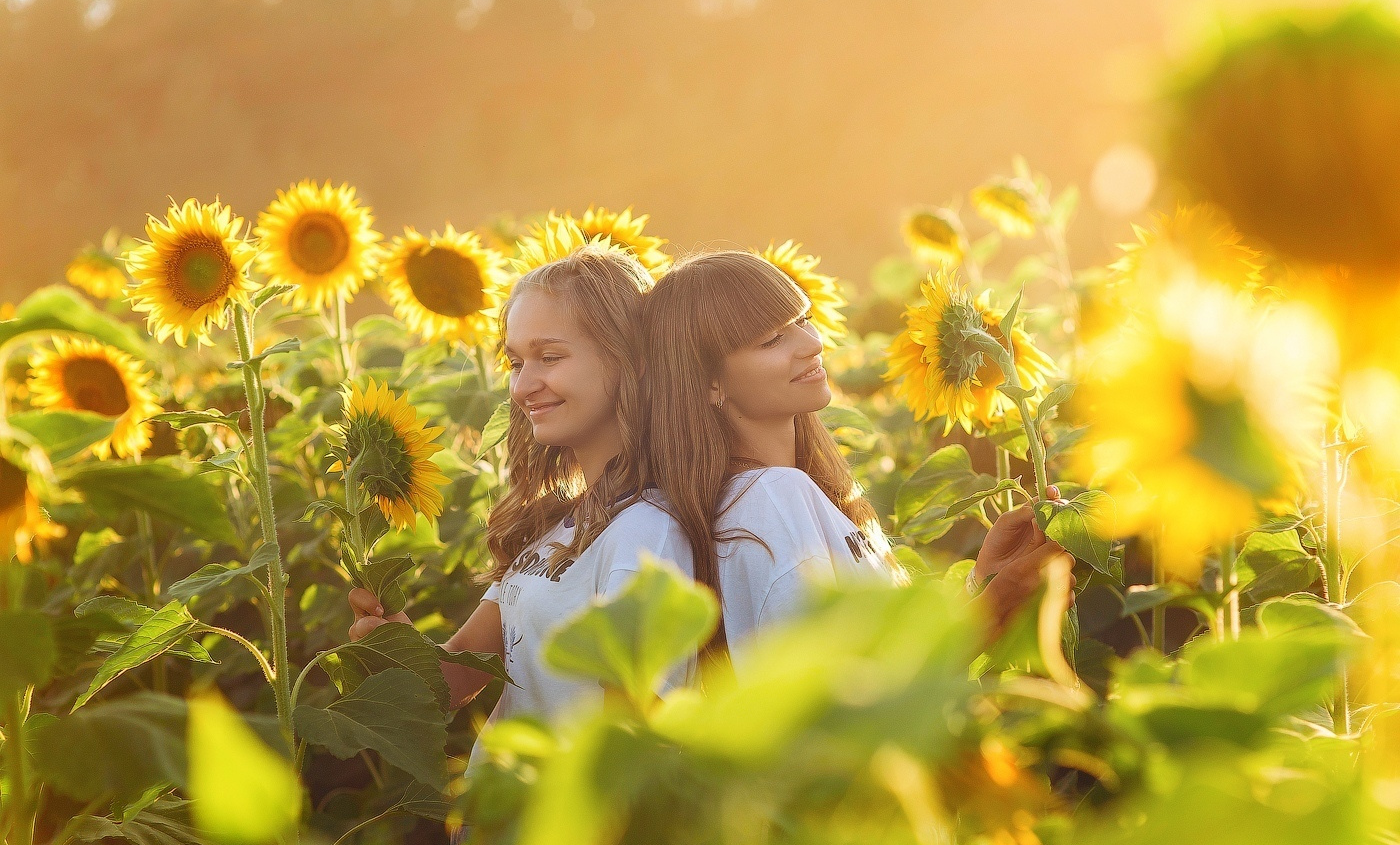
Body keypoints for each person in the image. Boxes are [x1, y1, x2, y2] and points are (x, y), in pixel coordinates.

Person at [641, 250, 1068, 668]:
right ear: (709, 382)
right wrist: (990, 613)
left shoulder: (779, 493)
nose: (811, 343)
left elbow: (877, 652)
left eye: (804, 320)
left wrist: (981, 583)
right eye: (771, 339)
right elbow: (840, 705)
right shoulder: (772, 498)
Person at [346, 244, 692, 729]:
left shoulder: (644, 532)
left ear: (628, 360)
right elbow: (456, 676)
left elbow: (629, 734)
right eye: (514, 363)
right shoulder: (556, 524)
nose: (522, 386)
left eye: (549, 357)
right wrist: (393, 644)